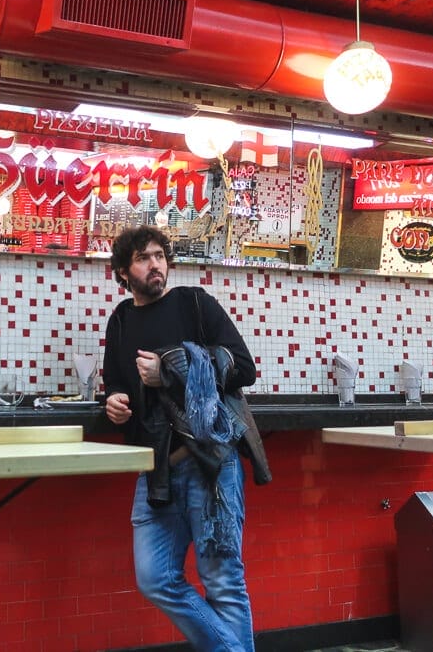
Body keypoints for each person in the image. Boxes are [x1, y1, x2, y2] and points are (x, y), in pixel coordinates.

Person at [103, 225, 259, 652]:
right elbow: (115, 384)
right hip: (156, 473)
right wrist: (113, 402)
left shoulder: (195, 304)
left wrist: (171, 368)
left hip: (210, 465)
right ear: (122, 271)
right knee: (154, 579)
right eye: (142, 258)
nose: (155, 264)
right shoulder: (119, 320)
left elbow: (244, 367)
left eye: (159, 255)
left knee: (223, 583)